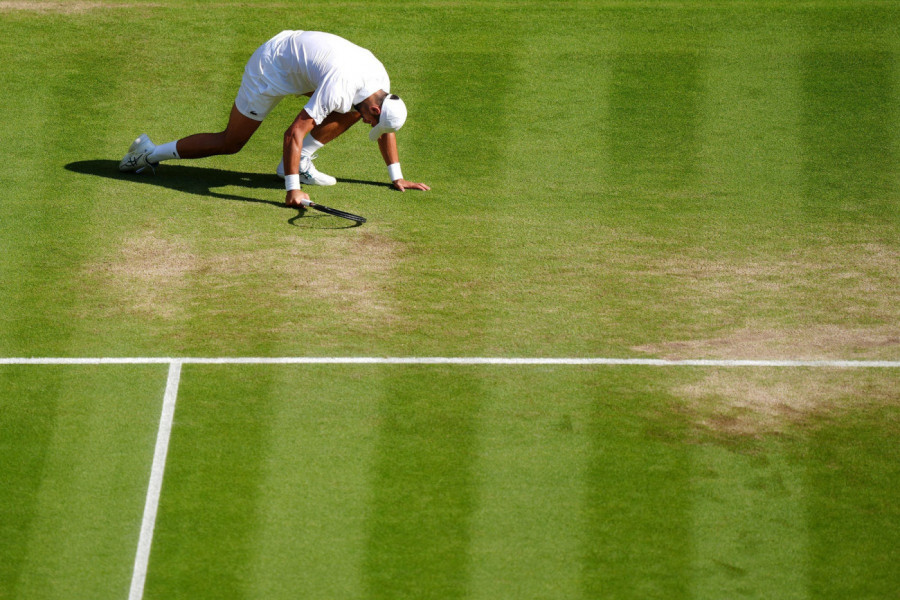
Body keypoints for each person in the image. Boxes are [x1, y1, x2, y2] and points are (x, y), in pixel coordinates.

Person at [118, 30, 430, 207]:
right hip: (271, 69)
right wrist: (292, 190)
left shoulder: (379, 89)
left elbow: (384, 127)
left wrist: (396, 176)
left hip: (305, 68)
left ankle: (298, 162)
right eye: (372, 121)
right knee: (231, 142)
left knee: (350, 112)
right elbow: (293, 133)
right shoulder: (343, 87)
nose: (369, 125)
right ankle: (147, 153)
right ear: (376, 108)